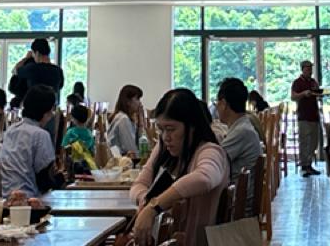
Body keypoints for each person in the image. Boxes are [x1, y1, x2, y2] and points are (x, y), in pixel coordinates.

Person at [130, 89, 228, 246]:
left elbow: (204, 179)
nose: (165, 137)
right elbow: (139, 184)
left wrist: (154, 206)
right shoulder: (164, 149)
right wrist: (145, 200)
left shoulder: (210, 151)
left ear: (192, 126)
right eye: (161, 129)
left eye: (171, 129)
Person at [0, 84, 59, 198]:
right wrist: (61, 179)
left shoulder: (11, 130)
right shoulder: (41, 135)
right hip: (27, 199)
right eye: (52, 109)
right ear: (46, 112)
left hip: (5, 197)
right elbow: (44, 181)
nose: (53, 114)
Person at [215, 78, 263, 179]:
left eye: (216, 102)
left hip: (235, 188)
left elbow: (214, 161)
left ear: (223, 104)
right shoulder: (242, 126)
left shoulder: (241, 131)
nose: (216, 107)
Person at [9, 39, 65, 107]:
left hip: (35, 107)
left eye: (33, 53)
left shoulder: (32, 68)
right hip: (51, 107)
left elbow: (14, 70)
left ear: (37, 53)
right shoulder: (58, 70)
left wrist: (26, 58)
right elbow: (60, 86)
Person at [291, 59, 323, 177]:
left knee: (314, 142)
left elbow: (318, 94)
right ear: (303, 69)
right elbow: (293, 97)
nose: (310, 70)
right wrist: (303, 94)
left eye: (311, 68)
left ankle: (309, 163)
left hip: (314, 115)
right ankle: (304, 166)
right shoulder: (297, 82)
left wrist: (319, 94)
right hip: (303, 116)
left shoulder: (314, 82)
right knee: (304, 141)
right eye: (307, 68)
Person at [108, 85, 145, 159]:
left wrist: (140, 121)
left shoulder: (127, 118)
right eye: (137, 99)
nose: (140, 103)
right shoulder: (123, 119)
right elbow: (132, 151)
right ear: (128, 102)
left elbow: (140, 143)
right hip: (119, 162)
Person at [62, 103, 96, 170]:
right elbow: (93, 152)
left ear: (74, 118)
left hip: (73, 166)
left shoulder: (70, 132)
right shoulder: (89, 133)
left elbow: (64, 149)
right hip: (87, 166)